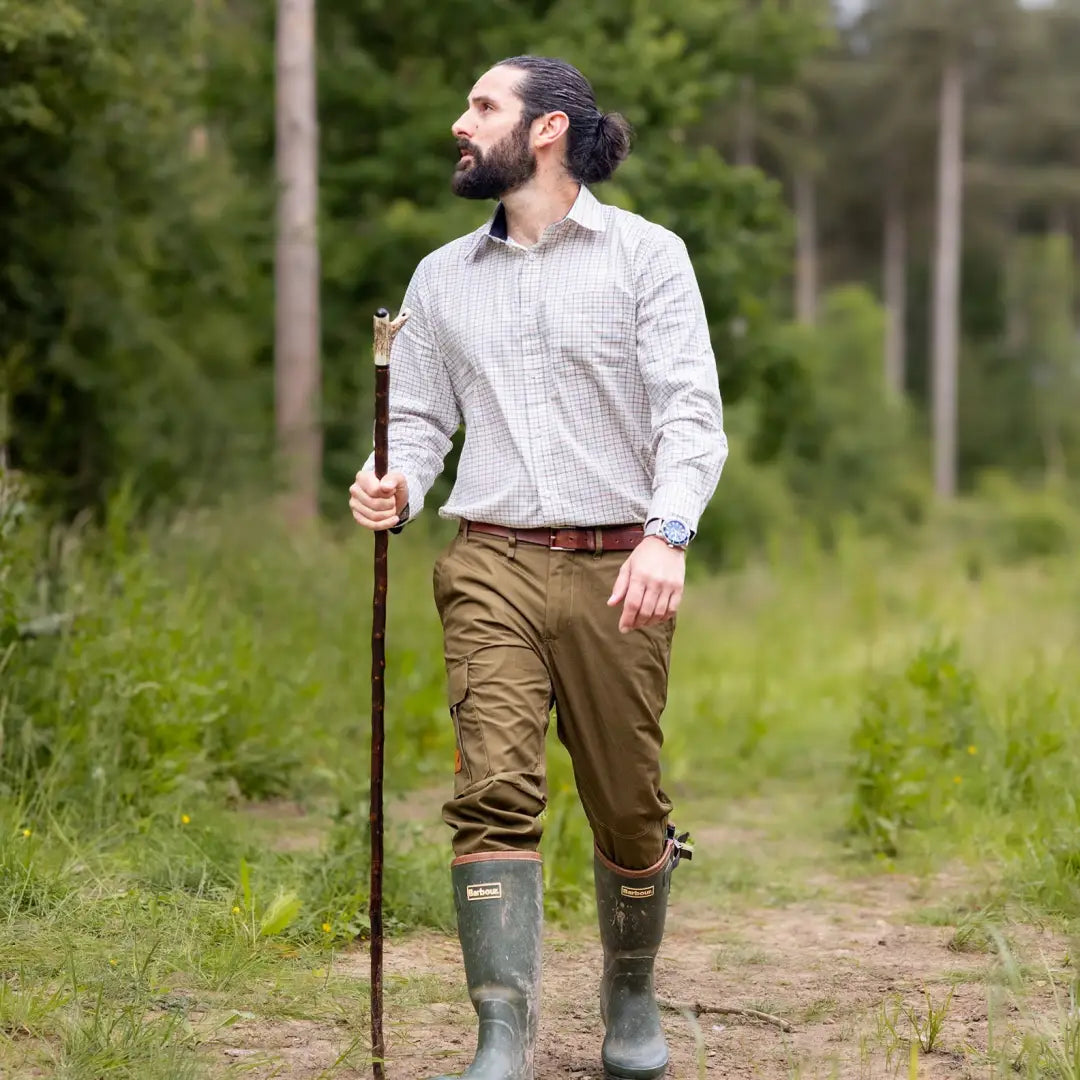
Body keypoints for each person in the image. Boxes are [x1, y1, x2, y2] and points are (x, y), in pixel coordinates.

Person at [350, 55, 726, 1080]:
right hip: (493, 564)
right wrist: (390, 482)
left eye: (481, 107)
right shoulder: (440, 278)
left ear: (549, 129)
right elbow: (419, 423)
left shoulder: (649, 258)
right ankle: (501, 1032)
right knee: (495, 790)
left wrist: (669, 532)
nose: (458, 123)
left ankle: (631, 992)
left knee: (627, 801)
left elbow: (692, 415)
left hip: (620, 564)